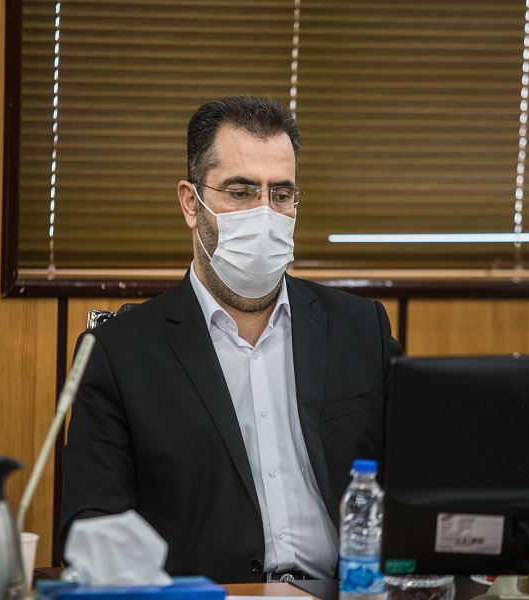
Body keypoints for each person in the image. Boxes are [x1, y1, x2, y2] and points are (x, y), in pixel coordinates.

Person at [60, 95, 402, 583]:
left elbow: (422, 482)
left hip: (344, 591)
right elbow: (92, 521)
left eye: (281, 194)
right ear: (190, 203)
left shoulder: (360, 329)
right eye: (241, 192)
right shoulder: (118, 355)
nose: (265, 213)